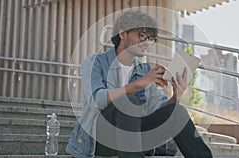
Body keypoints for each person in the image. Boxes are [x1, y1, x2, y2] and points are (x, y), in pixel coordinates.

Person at [66, 10, 212, 158]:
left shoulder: (145, 70)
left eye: (149, 38)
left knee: (177, 111)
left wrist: (176, 97)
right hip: (101, 139)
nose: (146, 42)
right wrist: (137, 85)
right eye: (141, 35)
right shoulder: (95, 62)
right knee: (126, 100)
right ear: (123, 34)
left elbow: (158, 107)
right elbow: (96, 100)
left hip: (135, 137)